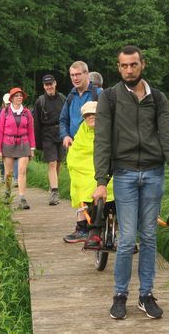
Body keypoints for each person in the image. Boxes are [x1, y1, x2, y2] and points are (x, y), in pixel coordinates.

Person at [92, 45, 169, 321]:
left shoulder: (157, 99)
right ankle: (119, 296)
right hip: (123, 175)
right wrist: (101, 181)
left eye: (133, 65)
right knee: (125, 241)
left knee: (148, 237)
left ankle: (146, 295)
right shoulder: (109, 98)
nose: (128, 70)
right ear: (118, 67)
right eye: (123, 66)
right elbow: (102, 141)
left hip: (153, 175)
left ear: (142, 65)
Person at [60, 61, 102, 242]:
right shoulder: (70, 97)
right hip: (76, 148)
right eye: (72, 75)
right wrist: (65, 136)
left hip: (96, 147)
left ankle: (98, 226)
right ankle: (81, 227)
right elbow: (63, 120)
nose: (75, 78)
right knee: (77, 186)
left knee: (97, 184)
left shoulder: (98, 94)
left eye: (78, 74)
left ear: (86, 74)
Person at [66, 101, 114, 246]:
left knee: (110, 184)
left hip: (105, 170)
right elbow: (76, 154)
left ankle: (116, 230)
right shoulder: (81, 132)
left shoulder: (109, 129)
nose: (91, 117)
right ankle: (84, 228)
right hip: (85, 170)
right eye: (88, 115)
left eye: (95, 114)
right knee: (83, 184)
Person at [0, 87, 36, 210]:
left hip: (24, 144)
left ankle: (22, 198)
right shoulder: (5, 112)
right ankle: (7, 193)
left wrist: (32, 148)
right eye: (16, 96)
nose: (19, 97)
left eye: (20, 96)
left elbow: (30, 131)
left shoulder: (27, 112)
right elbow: (0, 130)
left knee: (22, 172)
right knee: (8, 173)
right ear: (11, 98)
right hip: (8, 144)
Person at [33, 74, 66, 206]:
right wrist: (37, 144)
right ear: (43, 86)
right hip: (47, 135)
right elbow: (36, 124)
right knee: (52, 163)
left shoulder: (63, 98)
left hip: (62, 134)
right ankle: (54, 192)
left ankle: (52, 186)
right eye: (46, 85)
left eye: (51, 84)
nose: (49, 87)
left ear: (55, 83)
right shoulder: (40, 102)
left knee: (58, 164)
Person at [0, 93, 18, 184]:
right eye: (7, 104)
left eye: (10, 103)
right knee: (3, 158)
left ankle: (16, 178)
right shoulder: (0, 113)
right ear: (3, 104)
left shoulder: (18, 112)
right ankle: (2, 175)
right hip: (3, 139)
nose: (9, 105)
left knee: (15, 158)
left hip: (15, 140)